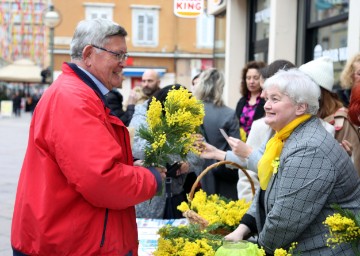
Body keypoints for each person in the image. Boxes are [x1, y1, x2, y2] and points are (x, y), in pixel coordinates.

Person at [11, 18, 166, 256]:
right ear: (89, 54)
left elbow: (89, 168)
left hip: (72, 238)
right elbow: (101, 180)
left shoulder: (78, 93)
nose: (123, 63)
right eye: (118, 55)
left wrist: (133, 168)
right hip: (70, 244)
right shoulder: (74, 99)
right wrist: (151, 179)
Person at [225, 69, 360, 255]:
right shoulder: (284, 137)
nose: (266, 106)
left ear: (300, 107)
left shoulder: (309, 148)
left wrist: (258, 248)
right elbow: (269, 189)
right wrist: (242, 229)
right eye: (266, 99)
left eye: (275, 99)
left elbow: (285, 221)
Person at [129, 84, 204, 219]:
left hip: (176, 196)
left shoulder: (187, 116)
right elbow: (139, 147)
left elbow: (199, 152)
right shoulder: (143, 115)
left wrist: (187, 164)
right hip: (148, 198)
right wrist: (179, 147)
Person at [299, 56, 360, 175]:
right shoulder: (307, 114)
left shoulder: (340, 121)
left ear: (318, 89)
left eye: (303, 83)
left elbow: (352, 169)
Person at [193, 68, 240, 200]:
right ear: (221, 87)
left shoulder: (190, 111)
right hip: (221, 175)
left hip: (194, 175)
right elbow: (237, 150)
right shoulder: (228, 114)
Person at [236, 61, 266, 141]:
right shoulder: (242, 101)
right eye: (248, 78)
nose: (251, 81)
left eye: (255, 78)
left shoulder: (267, 100)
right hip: (241, 143)